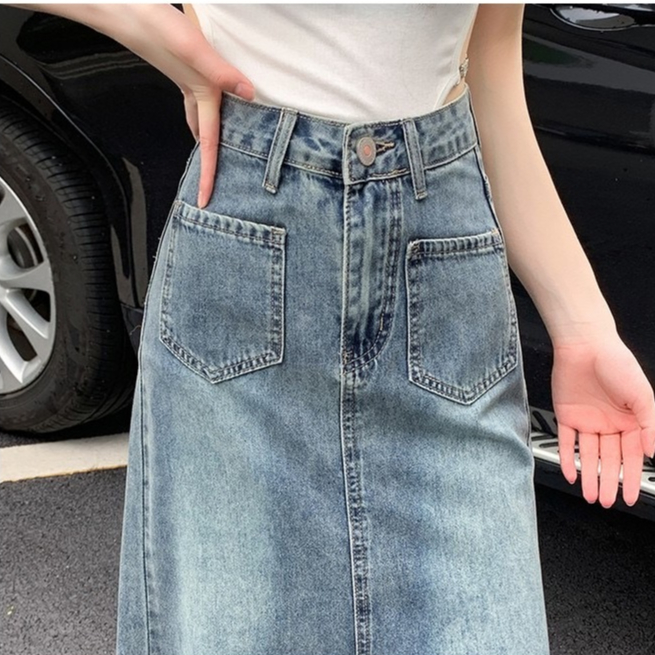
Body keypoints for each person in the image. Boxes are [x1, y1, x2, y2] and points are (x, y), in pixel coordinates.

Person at [13, 3, 655, 654]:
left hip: (442, 273)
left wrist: (583, 327)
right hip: (250, 254)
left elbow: (487, 69)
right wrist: (147, 24)